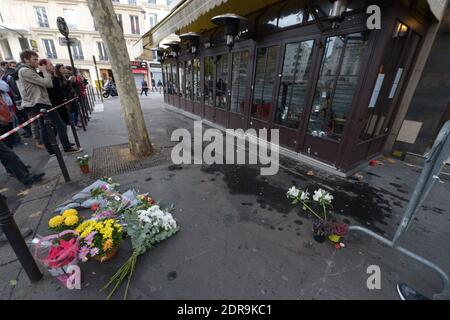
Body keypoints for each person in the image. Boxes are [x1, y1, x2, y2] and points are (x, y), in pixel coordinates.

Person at [16, 50, 80, 155]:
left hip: (39, 102)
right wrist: (45, 71)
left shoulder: (29, 70)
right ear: (26, 60)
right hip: (39, 102)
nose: (37, 62)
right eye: (34, 59)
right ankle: (66, 147)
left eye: (37, 59)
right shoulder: (25, 71)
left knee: (44, 127)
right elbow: (47, 83)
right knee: (60, 125)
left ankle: (52, 150)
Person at [1, 62, 31, 138]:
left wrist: (17, 99)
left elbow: (14, 89)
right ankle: (27, 131)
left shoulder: (8, 77)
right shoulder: (5, 78)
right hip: (12, 101)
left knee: (21, 117)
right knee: (19, 118)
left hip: (15, 100)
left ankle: (29, 131)